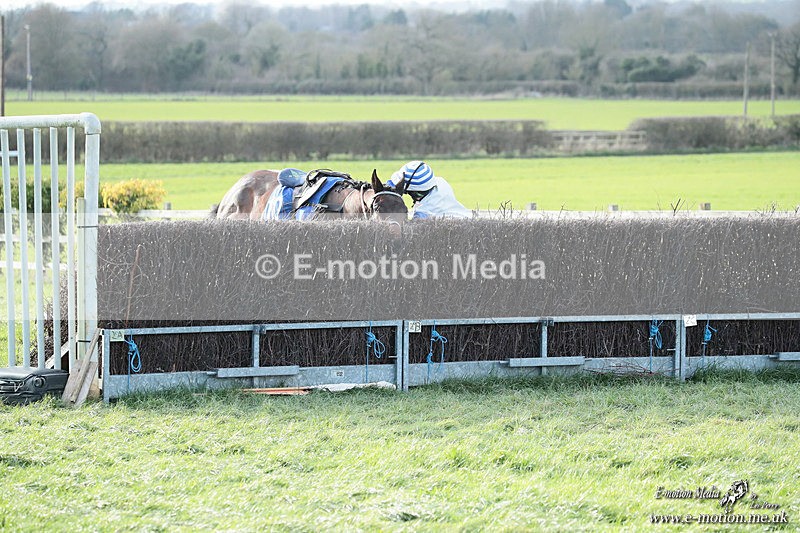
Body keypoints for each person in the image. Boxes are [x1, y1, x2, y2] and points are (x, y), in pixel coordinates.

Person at [386, 161, 472, 219]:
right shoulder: (440, 182)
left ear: (415, 193)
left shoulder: (424, 212)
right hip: (468, 217)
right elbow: (393, 184)